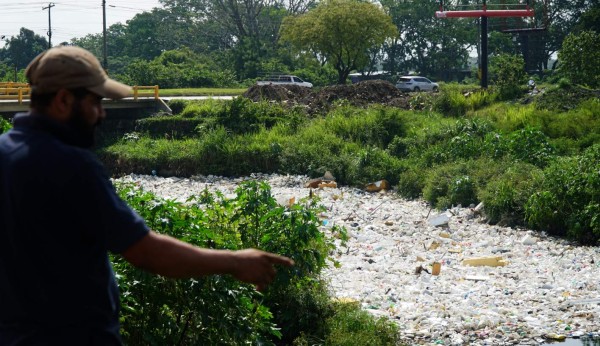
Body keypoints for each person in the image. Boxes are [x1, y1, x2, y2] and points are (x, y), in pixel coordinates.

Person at [0, 46, 294, 345]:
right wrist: (235, 261)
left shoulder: (4, 152)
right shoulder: (71, 165)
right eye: (95, 102)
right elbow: (147, 253)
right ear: (63, 100)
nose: (101, 114)